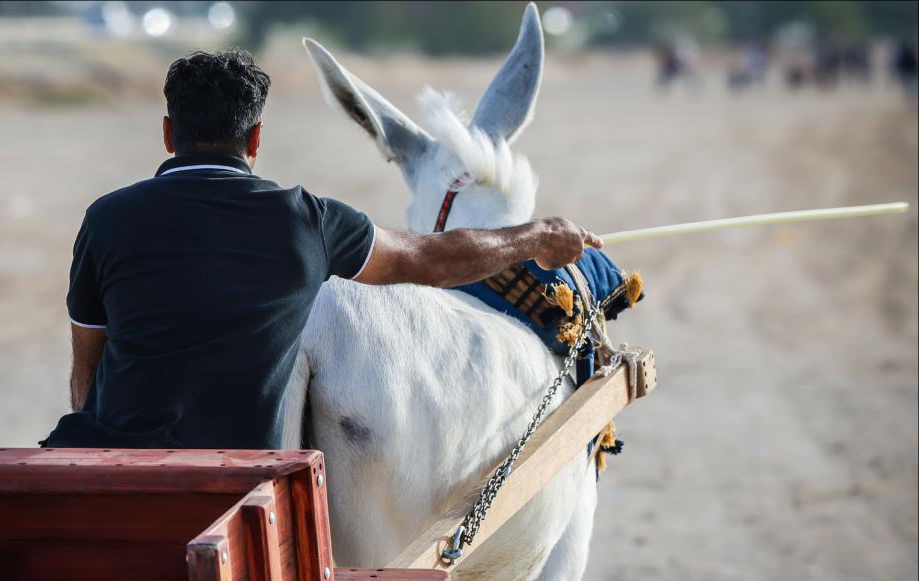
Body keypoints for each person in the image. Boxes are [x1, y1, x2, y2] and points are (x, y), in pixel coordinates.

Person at [43, 49, 602, 450]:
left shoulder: (106, 219)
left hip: (113, 475)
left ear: (168, 134)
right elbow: (431, 260)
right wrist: (538, 235)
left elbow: (85, 376)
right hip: (233, 484)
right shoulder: (306, 219)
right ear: (256, 139)